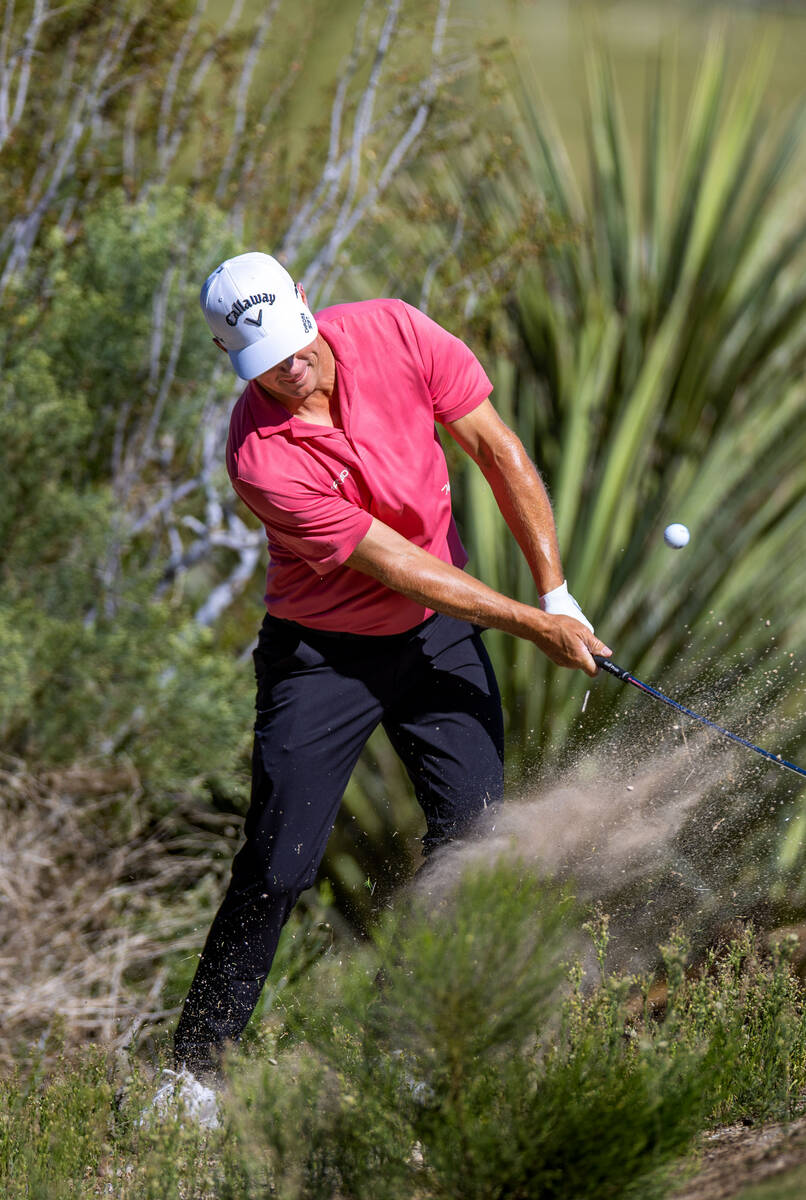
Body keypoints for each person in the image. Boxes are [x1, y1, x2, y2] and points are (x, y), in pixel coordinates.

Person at [172, 251, 611, 1080]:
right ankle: (194, 1072)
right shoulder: (260, 457)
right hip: (322, 656)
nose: (291, 371)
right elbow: (396, 563)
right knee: (279, 860)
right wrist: (526, 623)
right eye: (266, 364)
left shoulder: (396, 331)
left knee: (476, 840)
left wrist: (557, 596)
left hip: (436, 635)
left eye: (296, 346)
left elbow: (496, 448)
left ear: (305, 301)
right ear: (231, 357)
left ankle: (408, 1049)